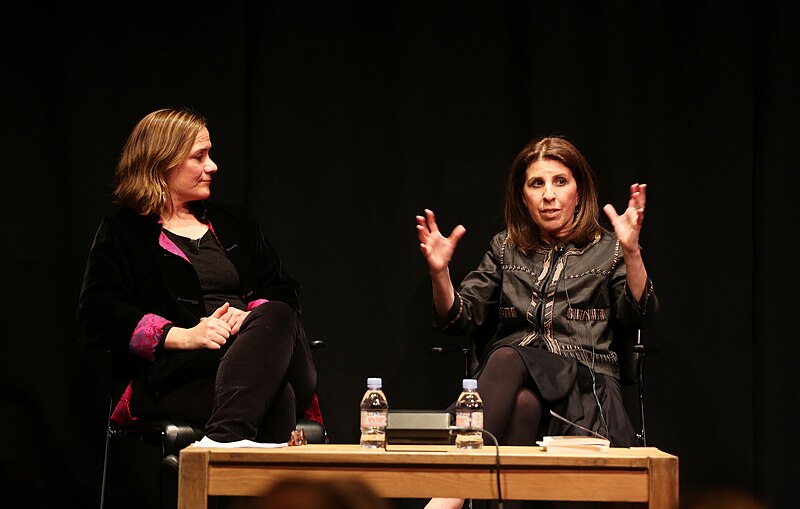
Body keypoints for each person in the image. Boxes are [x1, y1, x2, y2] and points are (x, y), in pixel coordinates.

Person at [416, 135, 658, 509]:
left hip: (585, 391)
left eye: (560, 181)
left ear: (579, 192)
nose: (549, 195)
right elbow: (459, 317)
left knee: (509, 354)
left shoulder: (608, 248)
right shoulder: (505, 248)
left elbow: (638, 312)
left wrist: (631, 251)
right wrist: (439, 273)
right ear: (522, 196)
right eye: (537, 183)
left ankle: (450, 493)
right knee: (525, 402)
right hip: (517, 394)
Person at [79, 107, 319, 443]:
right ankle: (229, 450)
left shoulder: (236, 223)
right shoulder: (124, 233)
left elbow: (284, 290)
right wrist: (185, 335)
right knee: (279, 402)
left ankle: (218, 444)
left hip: (264, 358)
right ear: (162, 163)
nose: (212, 166)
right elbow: (99, 315)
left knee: (275, 312)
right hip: (183, 377)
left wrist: (247, 316)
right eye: (199, 156)